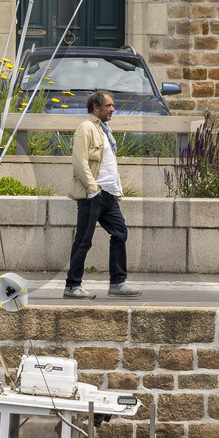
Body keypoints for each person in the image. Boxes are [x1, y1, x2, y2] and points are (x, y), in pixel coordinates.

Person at [65, 88, 138, 299]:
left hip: (108, 195)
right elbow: (79, 162)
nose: (113, 109)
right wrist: (92, 188)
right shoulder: (86, 128)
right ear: (95, 107)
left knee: (119, 233)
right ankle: (72, 286)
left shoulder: (104, 129)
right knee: (84, 240)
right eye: (109, 105)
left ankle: (118, 282)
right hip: (93, 194)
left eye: (112, 105)